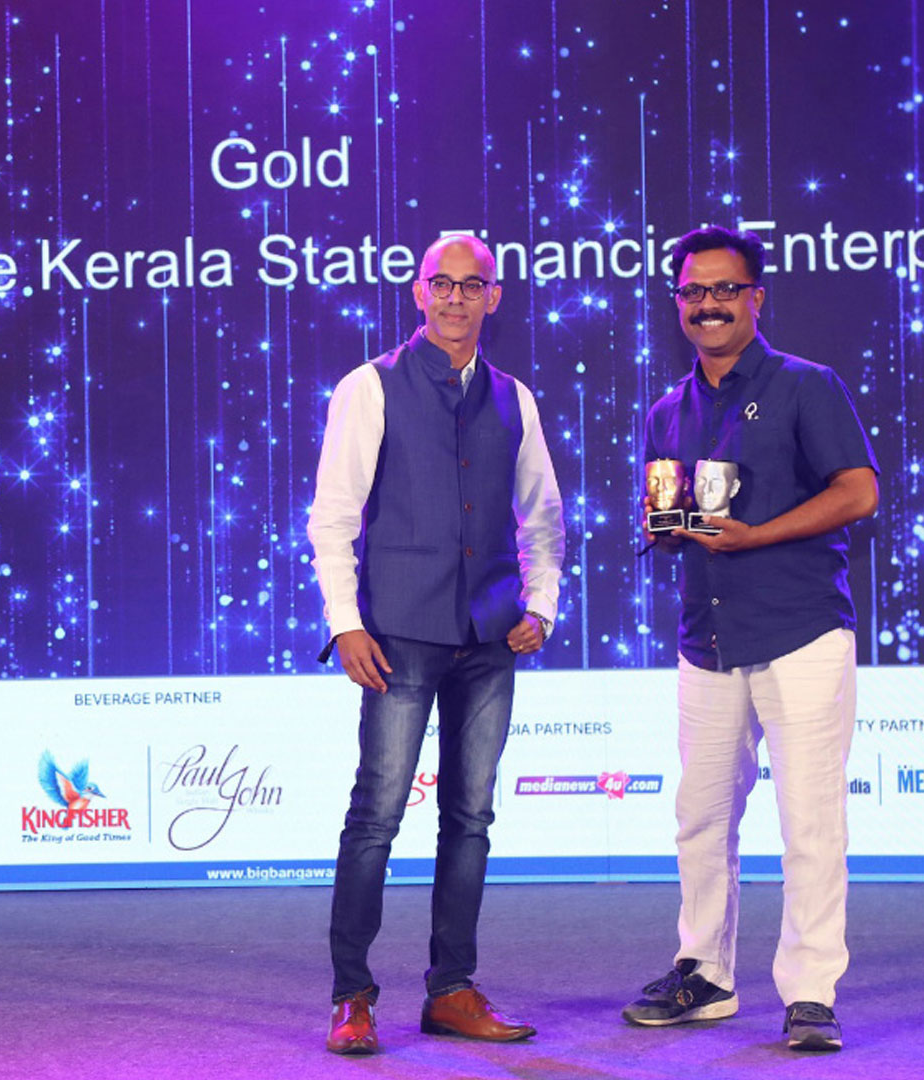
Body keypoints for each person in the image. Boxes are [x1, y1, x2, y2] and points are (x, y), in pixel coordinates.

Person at [308, 233, 566, 1055]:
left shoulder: (514, 398)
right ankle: (352, 997)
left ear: (494, 297)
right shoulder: (370, 386)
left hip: (489, 638)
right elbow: (333, 516)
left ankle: (451, 991)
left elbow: (544, 515)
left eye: (472, 284)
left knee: (470, 818)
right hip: (399, 637)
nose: (456, 297)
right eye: (441, 283)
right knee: (376, 816)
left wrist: (541, 605)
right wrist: (345, 621)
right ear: (419, 293)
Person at [626, 226, 879, 1052]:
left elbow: (859, 492)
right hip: (707, 638)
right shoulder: (667, 411)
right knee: (700, 819)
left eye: (725, 290)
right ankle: (704, 974)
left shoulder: (807, 385)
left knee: (810, 826)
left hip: (800, 630)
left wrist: (758, 535)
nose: (709, 305)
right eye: (694, 292)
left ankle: (810, 994)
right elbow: (672, 514)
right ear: (678, 303)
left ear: (756, 298)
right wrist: (664, 528)